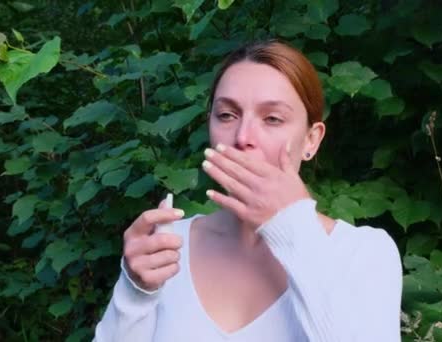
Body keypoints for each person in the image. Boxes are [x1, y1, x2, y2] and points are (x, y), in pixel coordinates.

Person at [94, 40, 402, 341]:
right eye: (227, 115)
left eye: (272, 119)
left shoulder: (363, 255)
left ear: (312, 140)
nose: (243, 137)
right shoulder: (166, 247)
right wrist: (136, 293)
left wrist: (292, 225)